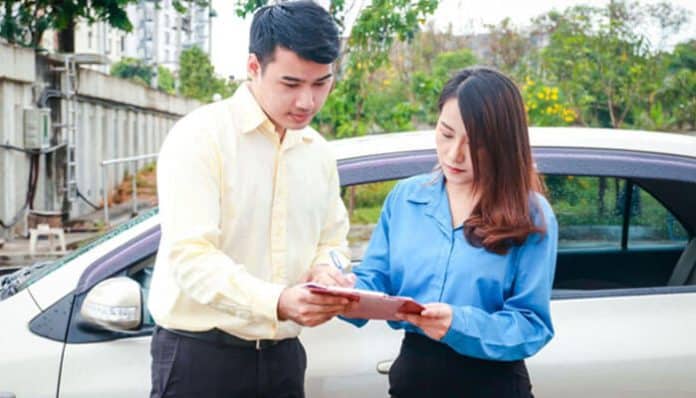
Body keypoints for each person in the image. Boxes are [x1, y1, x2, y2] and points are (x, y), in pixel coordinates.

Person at [147, 2, 355, 397]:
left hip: (284, 359)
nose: (307, 102)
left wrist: (328, 271)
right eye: (291, 84)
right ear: (254, 67)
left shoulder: (318, 153)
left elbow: (332, 241)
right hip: (201, 361)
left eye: (321, 83)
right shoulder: (201, 137)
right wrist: (277, 301)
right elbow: (191, 257)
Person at [343, 67, 558, 398]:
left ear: (503, 145)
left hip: (492, 385)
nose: (455, 154)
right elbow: (375, 279)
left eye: (476, 144)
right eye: (446, 134)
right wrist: (341, 293)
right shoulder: (406, 198)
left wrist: (459, 324)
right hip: (413, 380)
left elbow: (532, 325)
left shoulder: (531, 214)